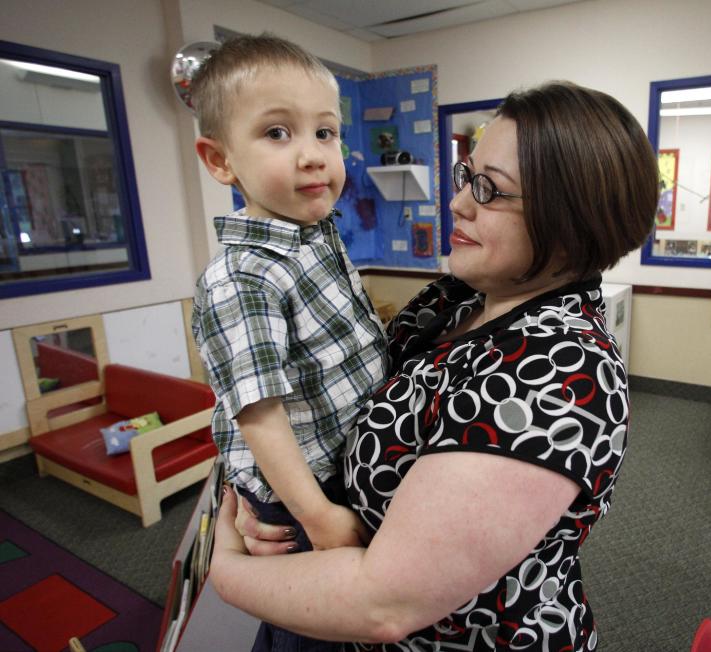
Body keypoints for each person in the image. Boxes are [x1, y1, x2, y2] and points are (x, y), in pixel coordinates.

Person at [210, 80, 659, 651]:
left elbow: (384, 603)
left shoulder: (560, 374)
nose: (458, 202)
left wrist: (224, 568)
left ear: (571, 228)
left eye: (491, 191)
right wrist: (286, 506)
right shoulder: (454, 301)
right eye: (467, 175)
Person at [190, 34, 388, 651]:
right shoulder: (242, 277)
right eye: (278, 133)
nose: (312, 155)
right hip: (301, 489)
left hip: (336, 464)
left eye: (325, 133)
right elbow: (260, 414)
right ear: (221, 161)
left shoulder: (316, 234)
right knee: (312, 628)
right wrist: (316, 515)